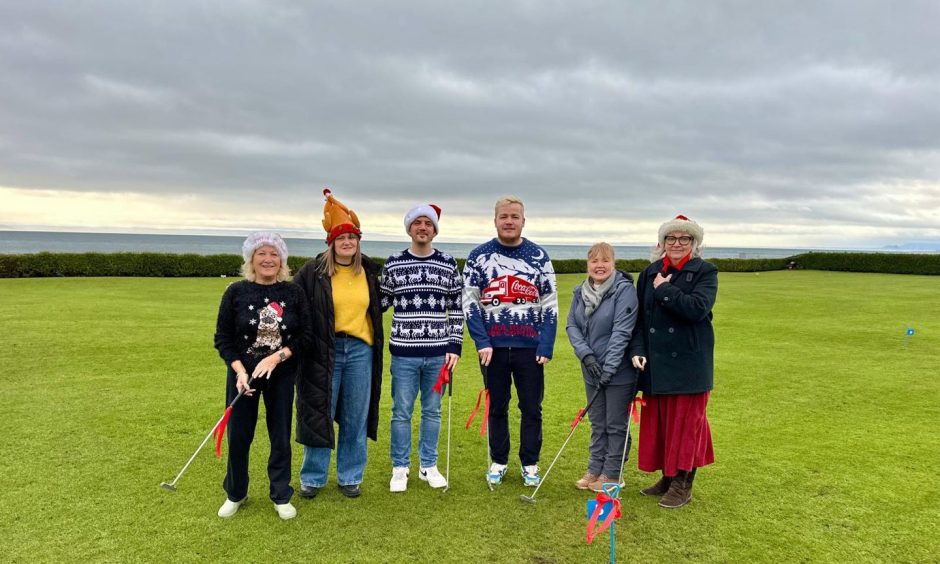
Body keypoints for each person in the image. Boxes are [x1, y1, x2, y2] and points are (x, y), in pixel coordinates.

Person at [213, 231, 312, 520]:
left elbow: (306, 336)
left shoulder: (293, 293)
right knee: (240, 436)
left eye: (273, 254)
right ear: (251, 259)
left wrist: (277, 356)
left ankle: (281, 494)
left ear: (282, 259)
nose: (268, 259)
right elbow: (223, 338)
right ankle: (236, 492)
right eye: (261, 253)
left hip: (281, 375)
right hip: (243, 376)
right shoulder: (235, 292)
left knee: (280, 435)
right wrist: (240, 371)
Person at [294, 189, 384, 499]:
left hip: (360, 350)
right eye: (340, 238)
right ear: (331, 242)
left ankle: (350, 476)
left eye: (352, 238)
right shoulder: (313, 271)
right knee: (319, 411)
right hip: (323, 350)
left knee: (355, 416)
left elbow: (381, 305)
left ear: (359, 242)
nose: (347, 242)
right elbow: (293, 305)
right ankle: (313, 477)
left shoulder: (370, 272)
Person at [462, 196, 557, 487]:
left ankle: (530, 463)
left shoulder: (539, 256)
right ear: (495, 221)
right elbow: (469, 302)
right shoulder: (478, 256)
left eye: (515, 216)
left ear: (523, 221)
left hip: (530, 349)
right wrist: (481, 341)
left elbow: (550, 302)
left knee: (531, 408)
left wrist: (546, 344)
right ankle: (499, 461)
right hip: (493, 350)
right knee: (497, 407)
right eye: (504, 216)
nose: (509, 221)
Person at [628, 214, 717, 509]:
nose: (677, 244)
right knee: (663, 424)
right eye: (671, 238)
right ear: (662, 242)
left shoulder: (705, 271)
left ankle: (683, 483)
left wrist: (665, 290)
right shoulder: (650, 271)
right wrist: (637, 349)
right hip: (655, 362)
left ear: (694, 243)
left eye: (684, 239)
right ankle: (667, 477)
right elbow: (639, 319)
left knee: (686, 425)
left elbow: (697, 309)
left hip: (689, 363)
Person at [380, 204, 463, 492]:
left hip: (439, 353)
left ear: (435, 230)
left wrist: (455, 345)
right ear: (409, 228)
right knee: (401, 412)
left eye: (429, 223)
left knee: (432, 411)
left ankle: (428, 465)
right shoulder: (393, 263)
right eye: (418, 222)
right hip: (404, 352)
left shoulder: (448, 264)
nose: (423, 227)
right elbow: (380, 303)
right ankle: (400, 467)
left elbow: (457, 308)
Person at [566, 242, 639, 492]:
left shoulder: (624, 290)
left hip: (618, 370)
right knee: (598, 422)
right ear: (588, 264)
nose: (600, 265)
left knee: (615, 423)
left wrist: (609, 367)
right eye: (595, 261)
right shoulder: (580, 292)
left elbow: (622, 331)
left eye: (605, 260)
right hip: (591, 368)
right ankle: (594, 468)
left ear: (613, 263)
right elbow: (572, 327)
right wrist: (586, 356)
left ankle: (613, 473)